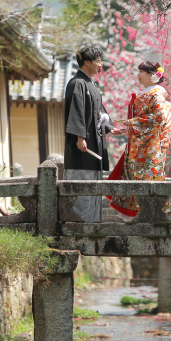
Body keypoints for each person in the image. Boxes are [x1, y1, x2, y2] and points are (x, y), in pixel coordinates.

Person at [108, 61, 171, 220]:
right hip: (141, 147)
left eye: (141, 72)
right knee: (136, 181)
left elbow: (159, 118)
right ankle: (136, 218)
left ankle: (144, 218)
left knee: (142, 183)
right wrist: (127, 129)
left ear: (152, 75)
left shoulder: (156, 94)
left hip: (147, 149)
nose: (138, 75)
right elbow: (149, 120)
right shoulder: (148, 92)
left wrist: (133, 122)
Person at [64, 46, 116, 222]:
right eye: (98, 61)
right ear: (87, 62)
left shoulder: (91, 85)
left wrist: (111, 127)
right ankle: (80, 231)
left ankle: (93, 228)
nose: (100, 65)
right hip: (82, 150)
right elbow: (77, 111)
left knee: (93, 193)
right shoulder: (77, 83)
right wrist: (80, 137)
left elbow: (100, 112)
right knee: (82, 194)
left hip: (94, 148)